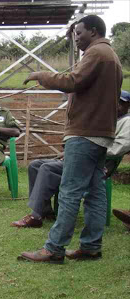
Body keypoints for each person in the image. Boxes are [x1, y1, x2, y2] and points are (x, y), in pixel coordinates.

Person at [19, 15, 122, 263]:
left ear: (94, 32)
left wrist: (41, 75)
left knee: (70, 191)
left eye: (79, 32)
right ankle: (90, 246)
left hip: (85, 132)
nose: (76, 38)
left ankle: (54, 248)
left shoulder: (97, 54)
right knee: (96, 193)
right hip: (102, 133)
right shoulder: (111, 56)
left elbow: (73, 81)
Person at [12, 90, 130, 229]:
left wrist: (82, 151)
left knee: (47, 168)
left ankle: (35, 216)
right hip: (80, 160)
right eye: (114, 102)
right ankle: (45, 211)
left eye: (121, 103)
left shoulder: (127, 121)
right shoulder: (107, 120)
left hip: (97, 165)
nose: (116, 106)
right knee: (35, 165)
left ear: (128, 105)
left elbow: (119, 147)